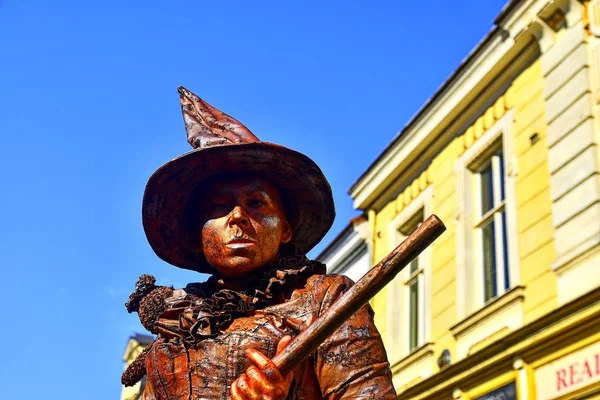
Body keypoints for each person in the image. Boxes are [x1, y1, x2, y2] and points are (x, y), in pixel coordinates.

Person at [123, 87, 397, 400]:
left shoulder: (325, 301)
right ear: (199, 237)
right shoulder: (174, 331)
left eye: (256, 203)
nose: (237, 216)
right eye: (218, 207)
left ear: (285, 229)